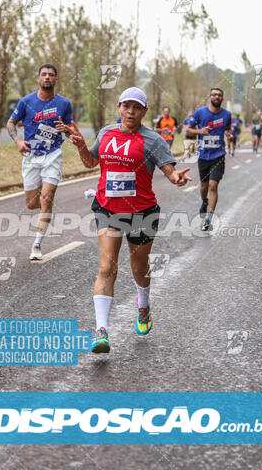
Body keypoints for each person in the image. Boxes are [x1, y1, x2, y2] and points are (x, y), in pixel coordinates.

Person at [59, 87, 191, 353]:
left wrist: (177, 179)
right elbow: (90, 162)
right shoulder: (106, 133)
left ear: (144, 111)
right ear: (119, 107)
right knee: (107, 266)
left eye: (136, 107)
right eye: (126, 106)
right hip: (108, 209)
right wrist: (82, 145)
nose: (130, 111)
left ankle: (143, 305)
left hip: (142, 212)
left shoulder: (152, 140)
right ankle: (101, 331)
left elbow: (169, 171)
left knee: (138, 267)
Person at [7, 64, 73, 261]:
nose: (47, 78)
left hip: (53, 155)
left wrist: (66, 129)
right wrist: (18, 141)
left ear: (56, 80)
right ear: (38, 79)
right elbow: (11, 122)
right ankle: (47, 205)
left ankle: (37, 244)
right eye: (44, 74)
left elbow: (70, 130)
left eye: (51, 75)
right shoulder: (26, 102)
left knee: (46, 197)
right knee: (31, 203)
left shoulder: (64, 103)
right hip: (31, 156)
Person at [186, 87, 232, 232]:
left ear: (222, 99)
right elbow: (188, 130)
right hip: (203, 155)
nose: (217, 97)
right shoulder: (200, 112)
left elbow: (228, 129)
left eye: (219, 95)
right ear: (209, 97)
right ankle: (204, 202)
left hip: (218, 155)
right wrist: (200, 131)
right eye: (214, 94)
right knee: (204, 186)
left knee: (213, 185)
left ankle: (208, 219)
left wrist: (229, 135)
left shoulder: (227, 114)